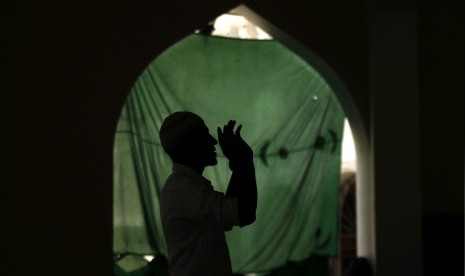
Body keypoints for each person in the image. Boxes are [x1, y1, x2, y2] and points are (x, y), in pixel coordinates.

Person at [159, 111, 257, 276]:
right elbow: (243, 213)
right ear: (186, 145)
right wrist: (243, 159)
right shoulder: (185, 190)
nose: (213, 141)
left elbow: (228, 213)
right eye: (203, 135)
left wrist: (239, 162)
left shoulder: (184, 186)